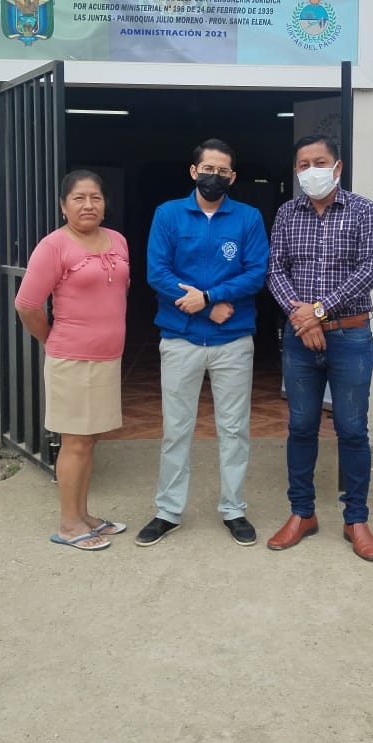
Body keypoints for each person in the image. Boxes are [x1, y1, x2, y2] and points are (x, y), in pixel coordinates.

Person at [136, 139, 269, 547]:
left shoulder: (247, 218)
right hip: (181, 338)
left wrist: (211, 296)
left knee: (234, 428)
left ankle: (234, 509)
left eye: (223, 171)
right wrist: (204, 308)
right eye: (208, 169)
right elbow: (157, 272)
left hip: (233, 340)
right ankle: (168, 510)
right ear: (194, 172)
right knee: (176, 429)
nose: (215, 176)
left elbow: (256, 272)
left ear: (233, 177)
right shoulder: (169, 214)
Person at [265, 134, 373, 562]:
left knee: (351, 429)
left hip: (350, 336)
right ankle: (302, 513)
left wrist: (317, 311)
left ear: (337, 167)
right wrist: (304, 320)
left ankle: (356, 519)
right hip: (301, 340)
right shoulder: (287, 213)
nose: (311, 170)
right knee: (301, 426)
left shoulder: (364, 211)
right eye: (303, 165)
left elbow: (370, 269)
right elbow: (275, 270)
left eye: (319, 162)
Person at [15, 170, 130, 551]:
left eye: (95, 197)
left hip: (107, 357)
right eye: (79, 198)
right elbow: (27, 304)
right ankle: (68, 525)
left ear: (105, 203)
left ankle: (84, 516)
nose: (88, 205)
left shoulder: (117, 241)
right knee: (75, 441)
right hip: (72, 358)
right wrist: (52, 339)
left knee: (90, 438)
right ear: (63, 206)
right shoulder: (54, 246)